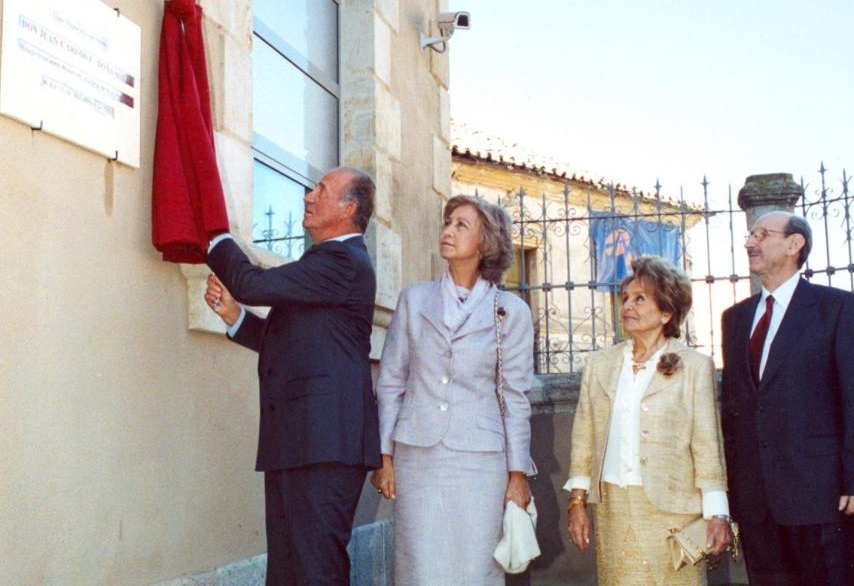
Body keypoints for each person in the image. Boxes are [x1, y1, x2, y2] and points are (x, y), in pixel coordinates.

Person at [203, 167, 381, 586]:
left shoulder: (344, 260)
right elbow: (291, 345)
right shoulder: (325, 264)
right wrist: (235, 318)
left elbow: (250, 283)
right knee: (287, 571)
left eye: (321, 189)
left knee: (315, 569)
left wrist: (216, 236)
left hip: (325, 444)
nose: (307, 195)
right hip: (301, 440)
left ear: (348, 209)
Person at [372, 194, 535, 585]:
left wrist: (517, 473)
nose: (447, 230)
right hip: (418, 456)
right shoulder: (414, 299)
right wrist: (384, 455)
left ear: (486, 242)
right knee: (420, 566)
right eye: (447, 222)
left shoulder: (510, 312)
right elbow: (391, 380)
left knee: (476, 568)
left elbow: (515, 396)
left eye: (461, 225)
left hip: (481, 462)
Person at [566, 256, 731, 585]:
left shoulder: (694, 366)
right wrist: (577, 502)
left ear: (667, 311)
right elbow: (583, 436)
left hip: (674, 510)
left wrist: (717, 513)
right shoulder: (600, 365)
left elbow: (707, 446)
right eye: (625, 297)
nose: (628, 305)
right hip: (614, 507)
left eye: (640, 298)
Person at [720, 211, 854, 585]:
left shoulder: (838, 309)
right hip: (755, 500)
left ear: (795, 245)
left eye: (761, 234)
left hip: (821, 496)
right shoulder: (735, 318)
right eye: (750, 235)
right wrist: (731, 491)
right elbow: (732, 412)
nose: (750, 243)